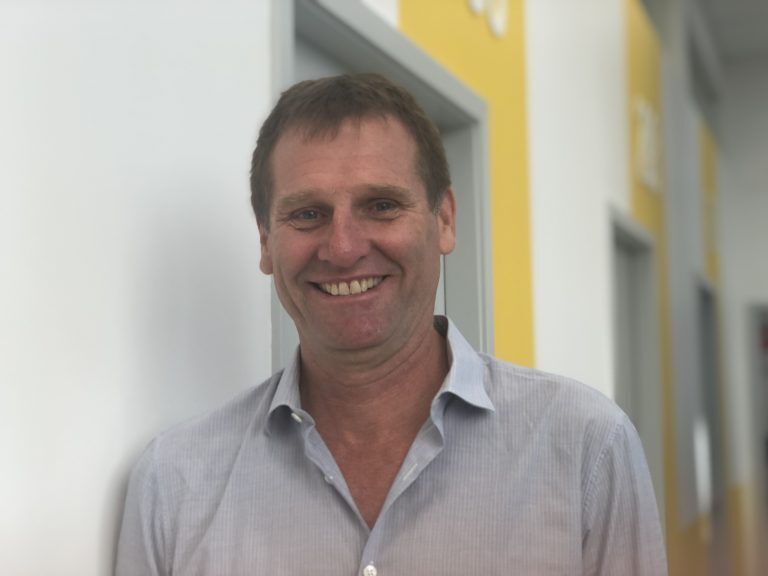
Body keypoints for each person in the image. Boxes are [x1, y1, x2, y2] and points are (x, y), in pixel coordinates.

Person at [116, 73, 667, 575]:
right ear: (265, 241)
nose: (343, 247)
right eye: (308, 214)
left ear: (444, 220)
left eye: (381, 205)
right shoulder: (174, 485)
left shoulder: (587, 452)